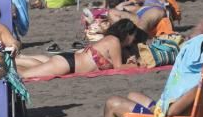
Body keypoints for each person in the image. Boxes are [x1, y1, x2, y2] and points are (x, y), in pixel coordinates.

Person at [16, 19, 145, 77]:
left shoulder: (111, 40)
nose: (133, 40)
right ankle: (5, 66)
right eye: (133, 36)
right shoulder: (114, 41)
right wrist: (138, 65)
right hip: (67, 64)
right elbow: (118, 68)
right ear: (128, 34)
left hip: (68, 62)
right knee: (24, 74)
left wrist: (129, 61)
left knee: (34, 68)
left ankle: (13, 62)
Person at [107, 0, 172, 36]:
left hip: (155, 10)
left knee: (143, 24)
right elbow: (118, 8)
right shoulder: (137, 6)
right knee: (111, 12)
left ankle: (136, 42)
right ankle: (120, 35)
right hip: (140, 13)